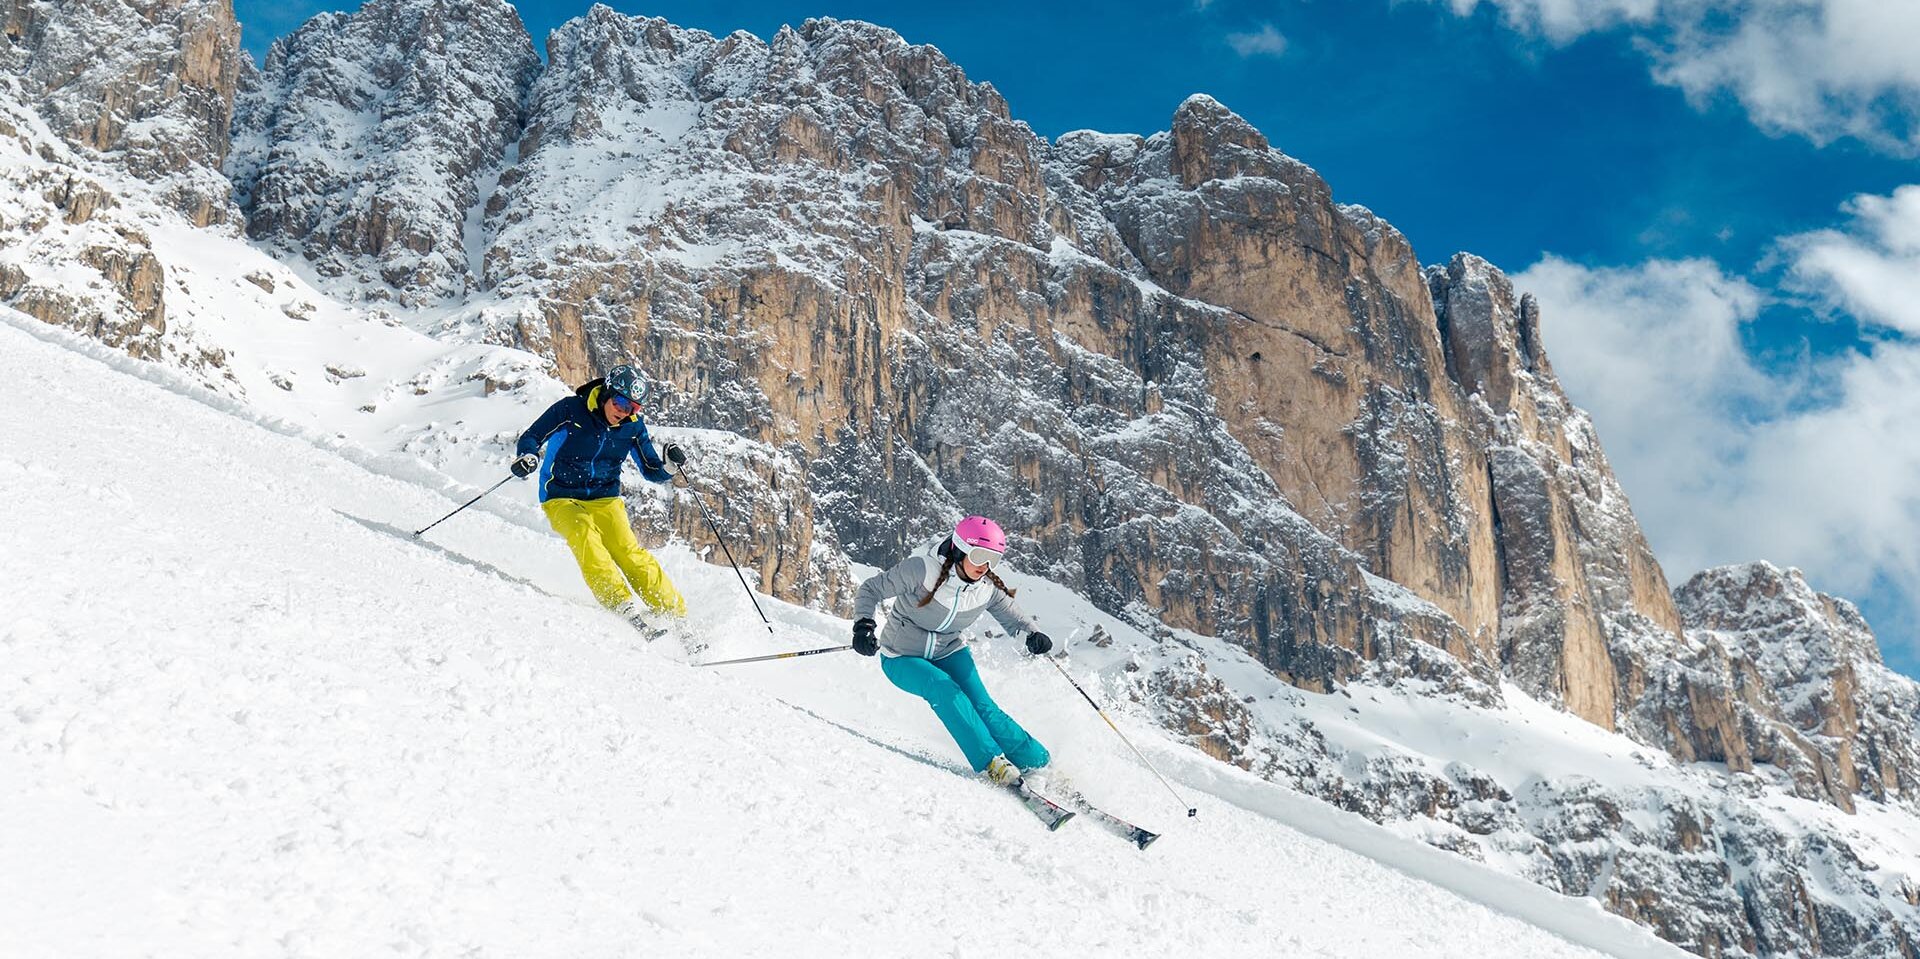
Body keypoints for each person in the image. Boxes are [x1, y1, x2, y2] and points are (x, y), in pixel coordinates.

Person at [851, 515, 1055, 787]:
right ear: (960, 549)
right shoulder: (921, 570)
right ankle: (992, 762)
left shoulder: (986, 589)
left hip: (948, 651)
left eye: (993, 559)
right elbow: (871, 588)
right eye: (980, 555)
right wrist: (863, 625)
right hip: (901, 656)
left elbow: (1014, 617)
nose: (985, 566)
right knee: (943, 689)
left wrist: (1033, 634)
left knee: (984, 707)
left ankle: (1037, 762)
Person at [512, 364, 689, 631]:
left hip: (605, 498)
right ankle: (622, 605)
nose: (623, 412)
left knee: (629, 553)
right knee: (585, 536)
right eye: (619, 402)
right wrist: (528, 455)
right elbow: (533, 436)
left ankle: (675, 616)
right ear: (607, 393)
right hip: (560, 495)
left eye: (632, 408)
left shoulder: (632, 427)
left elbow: (651, 469)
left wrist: (669, 468)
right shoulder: (570, 410)